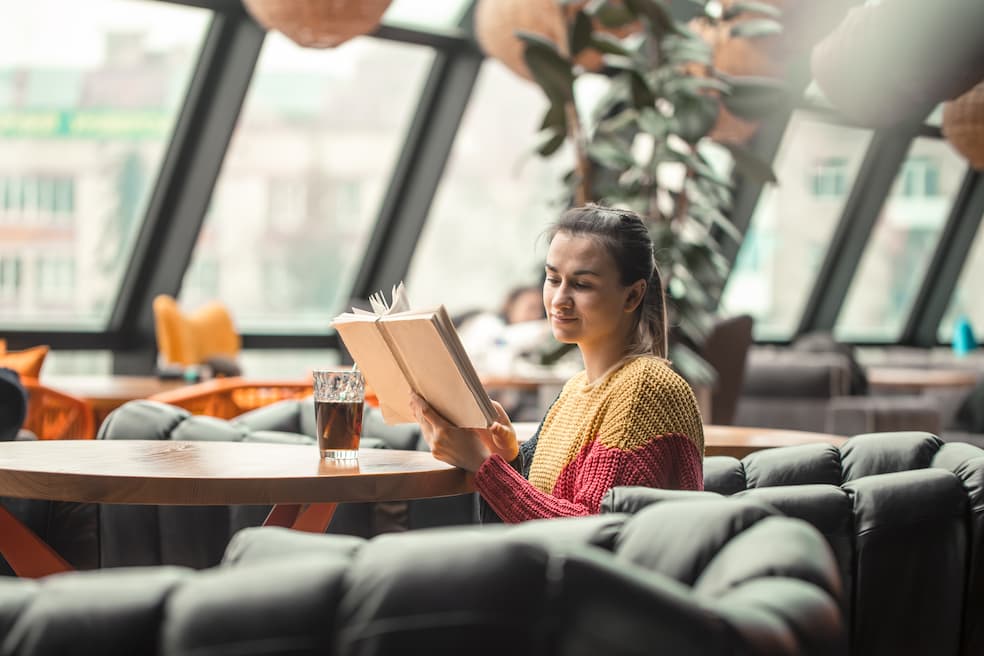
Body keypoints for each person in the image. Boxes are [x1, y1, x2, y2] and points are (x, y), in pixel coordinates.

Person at [410, 204, 704, 523]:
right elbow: (543, 506)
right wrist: (507, 457)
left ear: (632, 296)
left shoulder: (643, 390)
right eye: (552, 279)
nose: (559, 299)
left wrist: (483, 465)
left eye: (582, 284)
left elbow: (590, 531)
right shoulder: (575, 390)